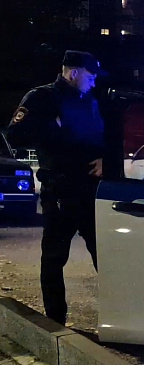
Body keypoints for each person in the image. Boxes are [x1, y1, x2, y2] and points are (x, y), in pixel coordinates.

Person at [6, 50, 107, 325]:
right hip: (60, 191)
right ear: (74, 73)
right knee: (54, 258)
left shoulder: (90, 100)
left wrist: (105, 158)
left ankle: (118, 317)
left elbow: (101, 138)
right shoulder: (41, 98)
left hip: (90, 191)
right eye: (91, 76)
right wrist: (55, 129)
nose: (94, 82)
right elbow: (15, 135)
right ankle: (55, 320)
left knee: (105, 256)